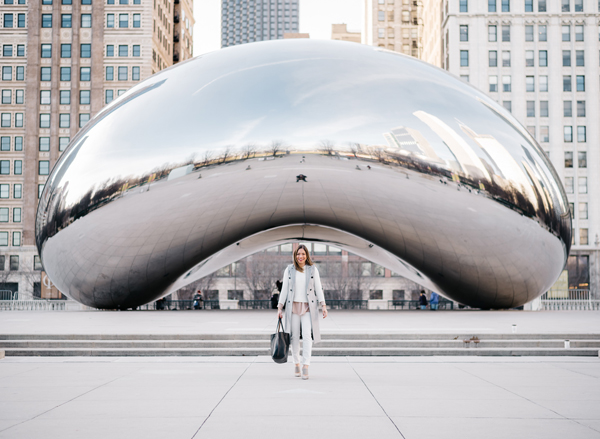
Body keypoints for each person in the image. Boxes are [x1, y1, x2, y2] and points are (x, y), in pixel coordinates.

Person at [277, 244, 328, 380]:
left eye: (303, 254)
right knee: (294, 337)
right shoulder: (289, 270)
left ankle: (306, 365)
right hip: (292, 307)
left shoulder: (312, 270)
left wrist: (323, 305)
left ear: (307, 256)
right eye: (298, 254)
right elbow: (284, 290)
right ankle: (296, 363)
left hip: (307, 307)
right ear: (295, 255)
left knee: (306, 335)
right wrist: (279, 307)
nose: (300, 257)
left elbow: (318, 288)